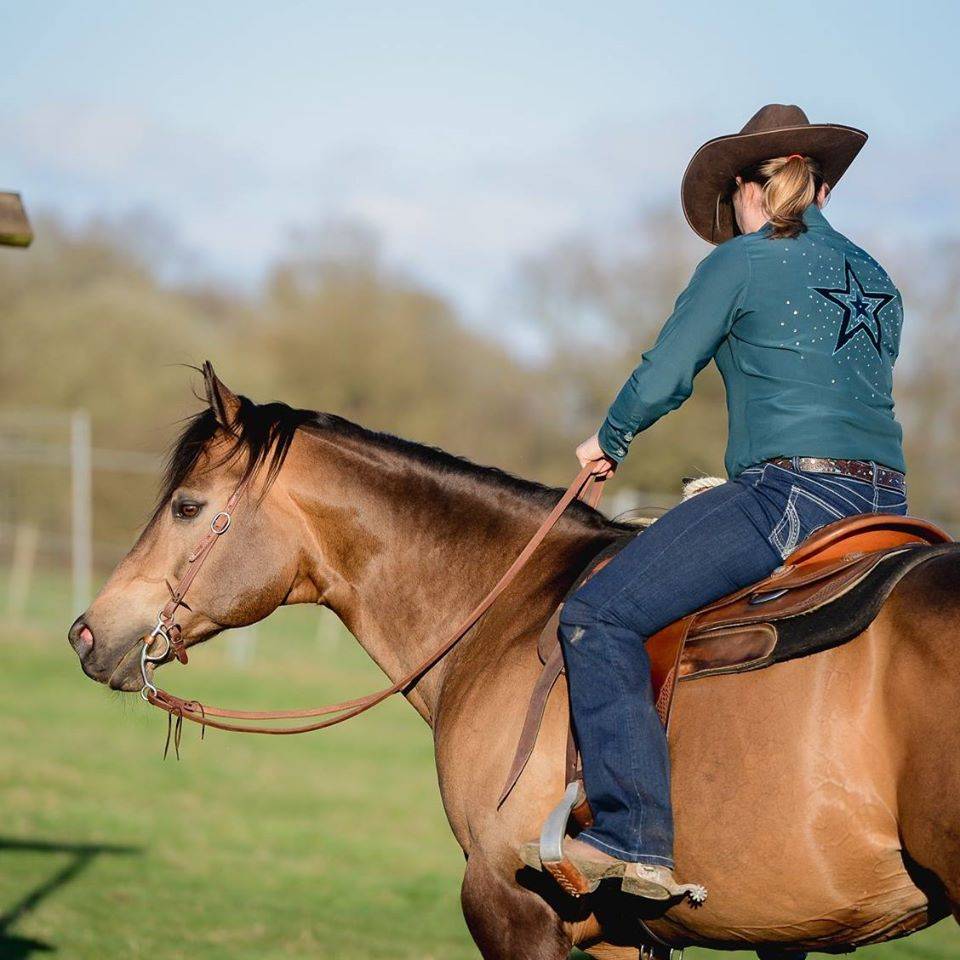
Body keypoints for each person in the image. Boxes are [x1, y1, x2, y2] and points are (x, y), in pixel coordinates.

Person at [523, 104, 909, 902]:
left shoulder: (740, 261)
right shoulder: (879, 282)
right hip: (889, 507)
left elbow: (667, 374)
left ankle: (633, 837)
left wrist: (609, 439)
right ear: (825, 191)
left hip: (791, 495)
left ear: (743, 191)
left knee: (599, 614)